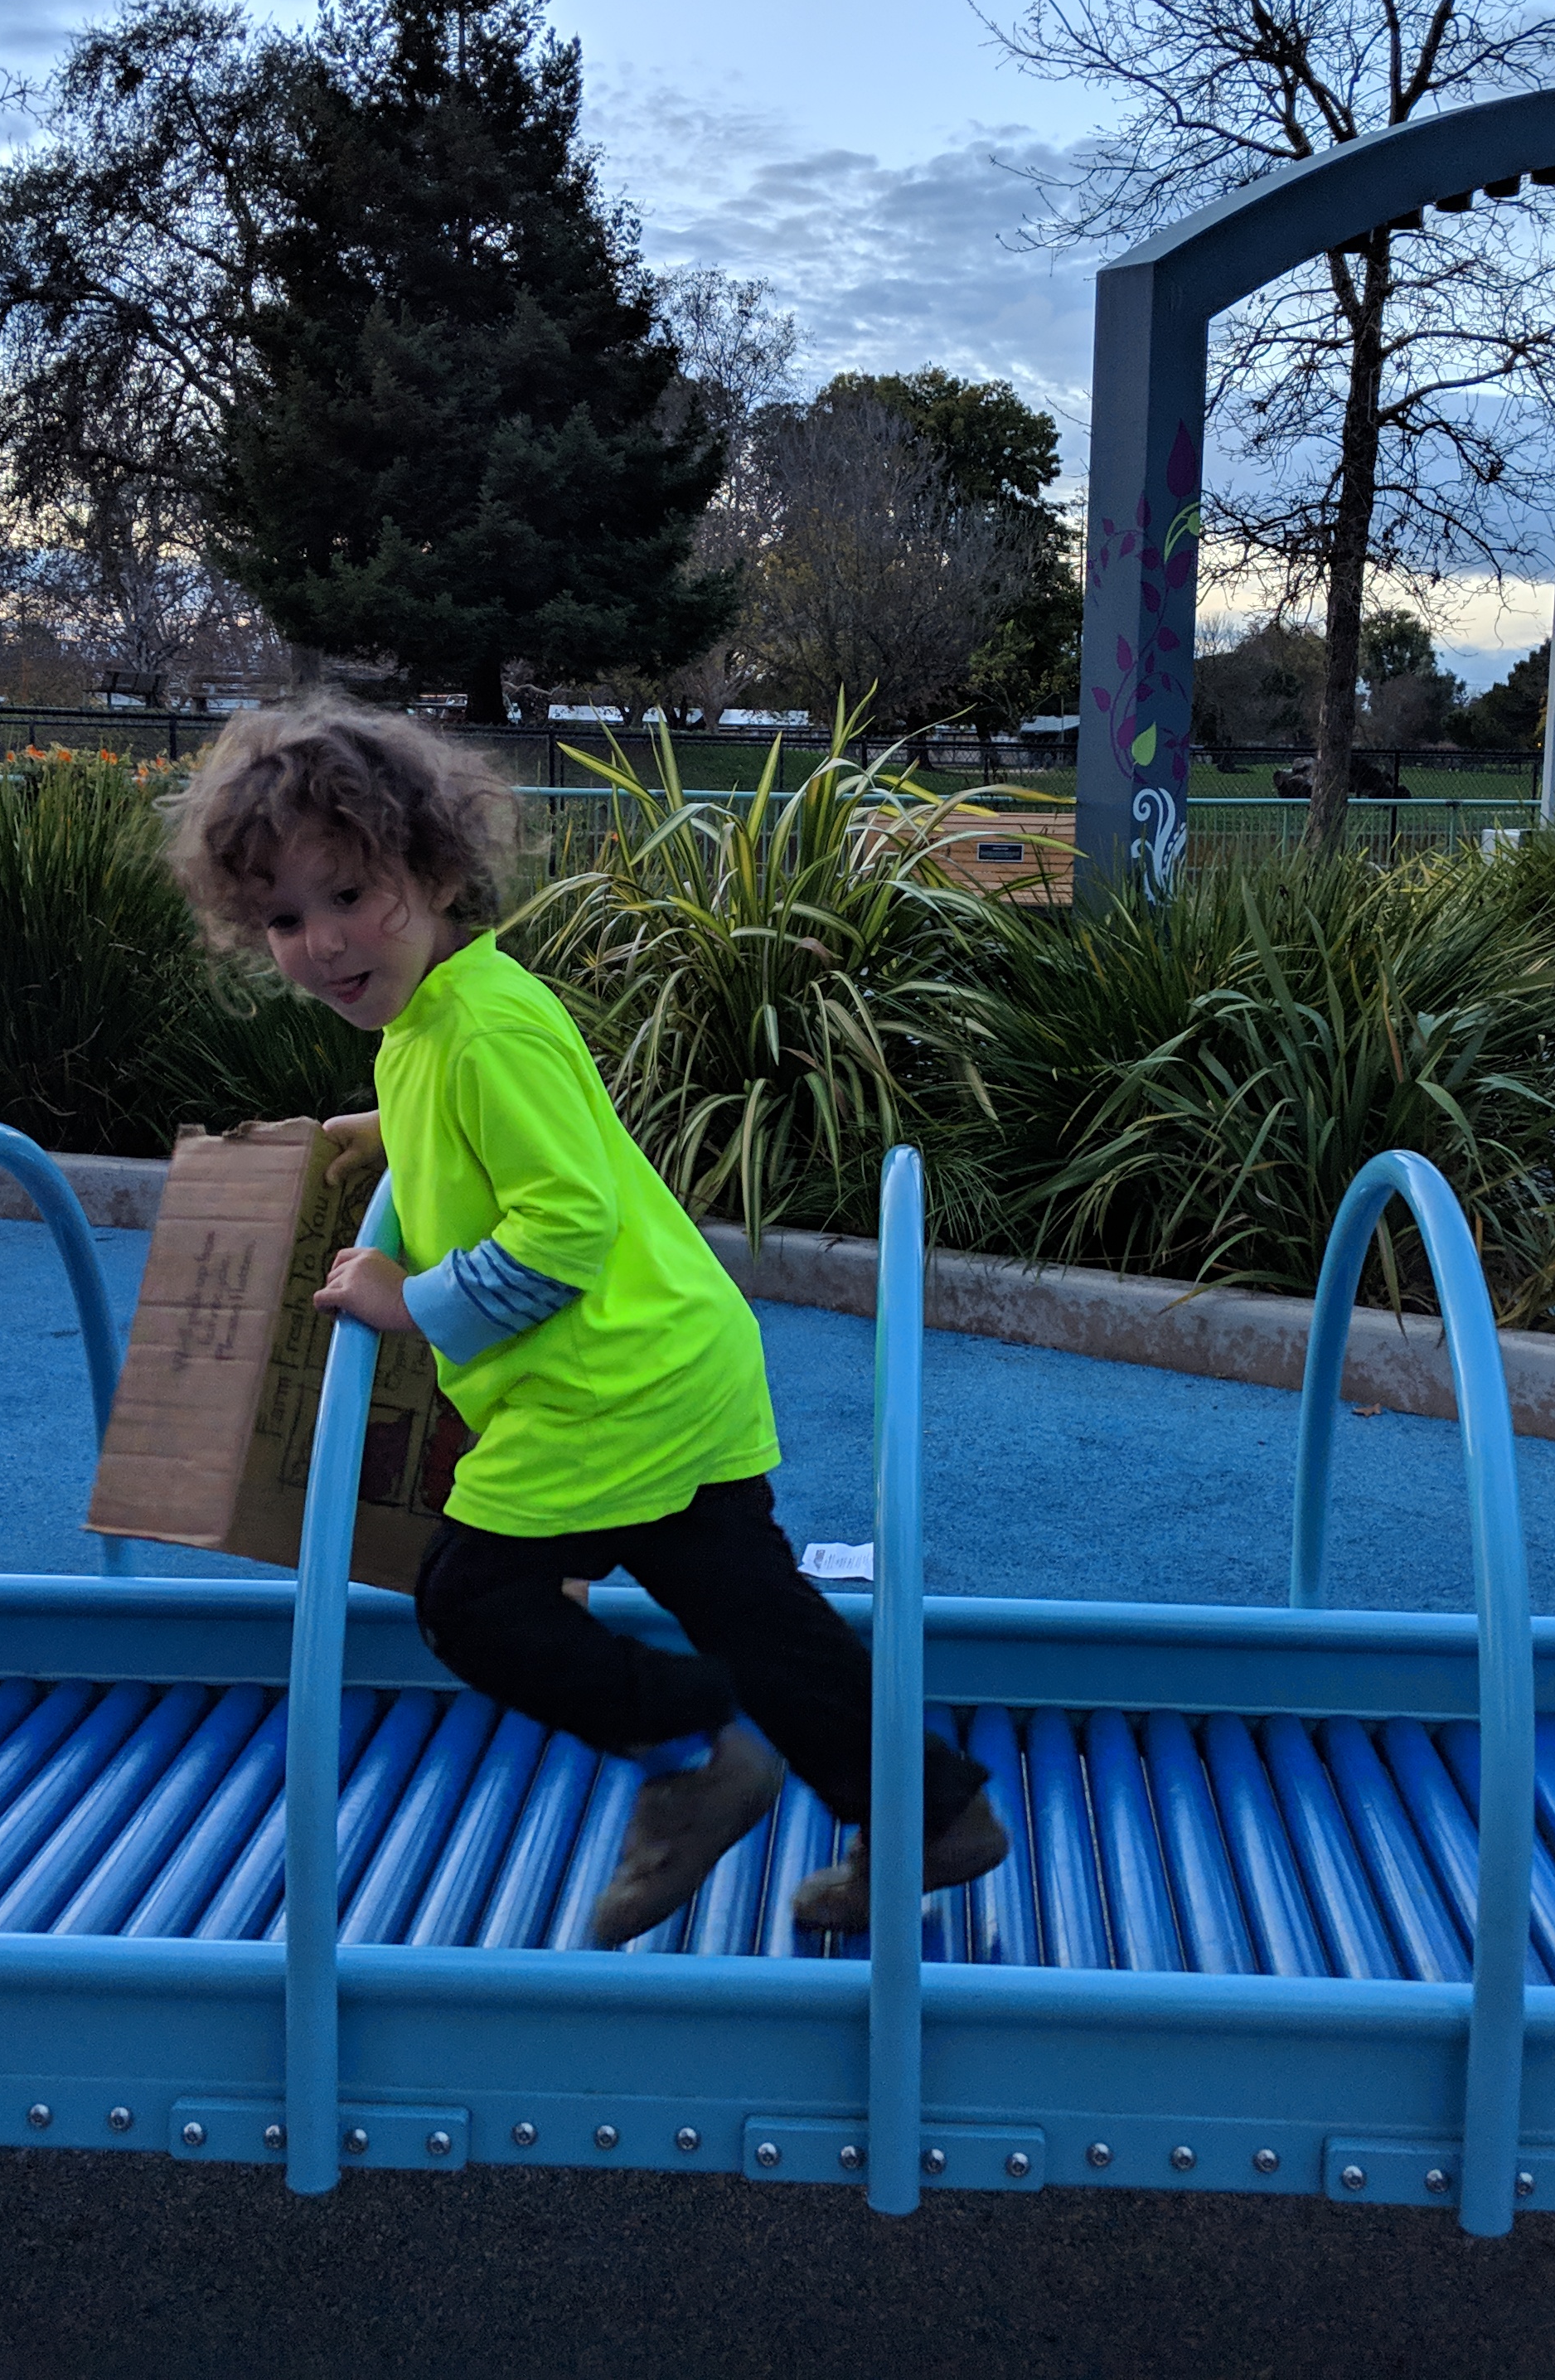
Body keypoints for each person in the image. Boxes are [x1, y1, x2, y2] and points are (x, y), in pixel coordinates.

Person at [166, 704, 1008, 1946]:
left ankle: (696, 1752)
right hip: (674, 1361)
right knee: (758, 1621)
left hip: (599, 1389)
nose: (324, 941)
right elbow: (498, 1124)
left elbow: (561, 1231)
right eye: (286, 919)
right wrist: (395, 1134)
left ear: (437, 871)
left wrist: (410, 1302)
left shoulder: (481, 1028)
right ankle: (934, 1813)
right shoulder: (437, 1015)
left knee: (469, 1602)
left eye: (349, 894)